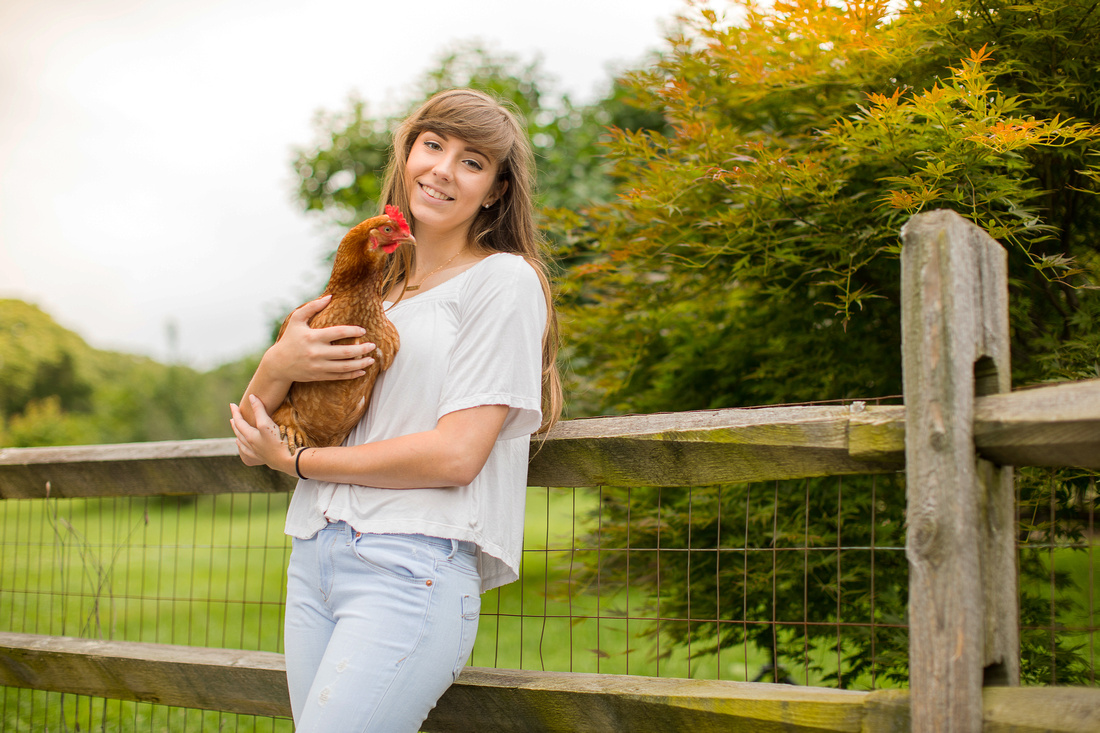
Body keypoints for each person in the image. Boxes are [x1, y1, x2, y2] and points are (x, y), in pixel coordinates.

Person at [229, 88, 562, 732]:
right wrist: (277, 366)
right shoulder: (370, 293)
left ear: (494, 191)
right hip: (315, 558)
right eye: (432, 146)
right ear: (407, 156)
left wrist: (300, 463)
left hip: (411, 566)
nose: (441, 168)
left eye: (471, 161)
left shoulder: (503, 281)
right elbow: (253, 431)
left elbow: (457, 454)